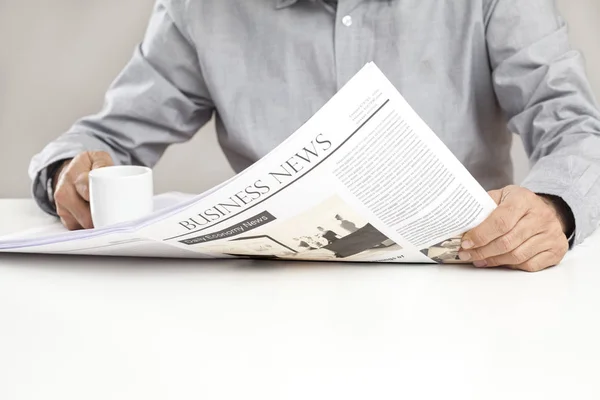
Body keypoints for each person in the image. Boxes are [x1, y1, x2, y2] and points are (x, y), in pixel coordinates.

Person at [29, 0, 600, 272]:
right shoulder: (200, 9)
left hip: (465, 278)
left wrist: (555, 207)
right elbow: (107, 139)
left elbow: (575, 125)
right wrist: (67, 173)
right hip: (269, 304)